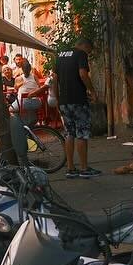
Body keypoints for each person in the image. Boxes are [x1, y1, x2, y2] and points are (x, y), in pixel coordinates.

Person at [54, 37, 99, 178]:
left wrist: (57, 99)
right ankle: (84, 168)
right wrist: (92, 91)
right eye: (89, 51)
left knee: (69, 133)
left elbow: (54, 79)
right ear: (84, 46)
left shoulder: (60, 55)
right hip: (78, 100)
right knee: (82, 133)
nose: (89, 54)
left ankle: (70, 168)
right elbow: (83, 74)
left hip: (64, 101)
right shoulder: (80, 54)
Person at [12, 54, 47, 123]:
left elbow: (15, 90)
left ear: (22, 69)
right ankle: (32, 122)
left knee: (11, 109)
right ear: (30, 69)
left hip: (23, 103)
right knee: (30, 108)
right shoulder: (34, 76)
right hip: (36, 102)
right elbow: (39, 87)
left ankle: (19, 124)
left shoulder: (19, 78)